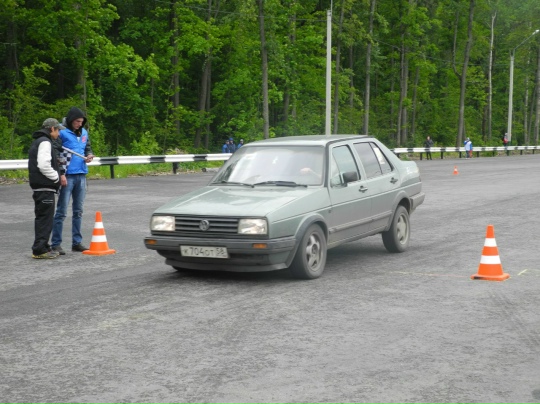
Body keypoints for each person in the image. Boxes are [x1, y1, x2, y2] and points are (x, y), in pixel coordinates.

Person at [51, 107, 94, 254]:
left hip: (81, 174)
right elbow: (56, 153)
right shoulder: (61, 132)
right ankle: (56, 243)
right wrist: (61, 173)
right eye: (77, 121)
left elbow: (87, 147)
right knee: (62, 211)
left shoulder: (84, 132)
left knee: (78, 211)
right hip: (67, 175)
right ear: (71, 120)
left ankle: (77, 242)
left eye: (82, 122)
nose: (80, 124)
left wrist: (89, 155)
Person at [28, 118, 64, 259]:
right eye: (58, 130)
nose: (59, 133)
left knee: (42, 217)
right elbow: (43, 165)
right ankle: (40, 250)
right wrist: (56, 177)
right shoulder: (45, 142)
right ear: (52, 129)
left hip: (40, 187)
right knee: (45, 219)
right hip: (45, 186)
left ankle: (43, 246)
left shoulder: (39, 141)